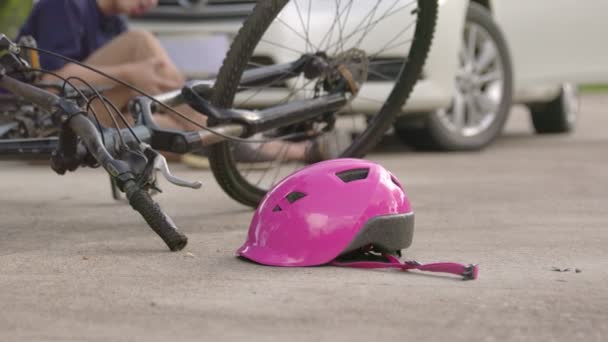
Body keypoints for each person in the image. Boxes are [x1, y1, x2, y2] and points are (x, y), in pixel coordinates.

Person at [16, 0, 330, 163]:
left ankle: (292, 152)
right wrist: (129, 74)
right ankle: (226, 128)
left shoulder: (112, 22)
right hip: (40, 119)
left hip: (85, 119)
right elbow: (48, 82)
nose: (151, 3)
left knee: (174, 133)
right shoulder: (66, 4)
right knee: (141, 42)